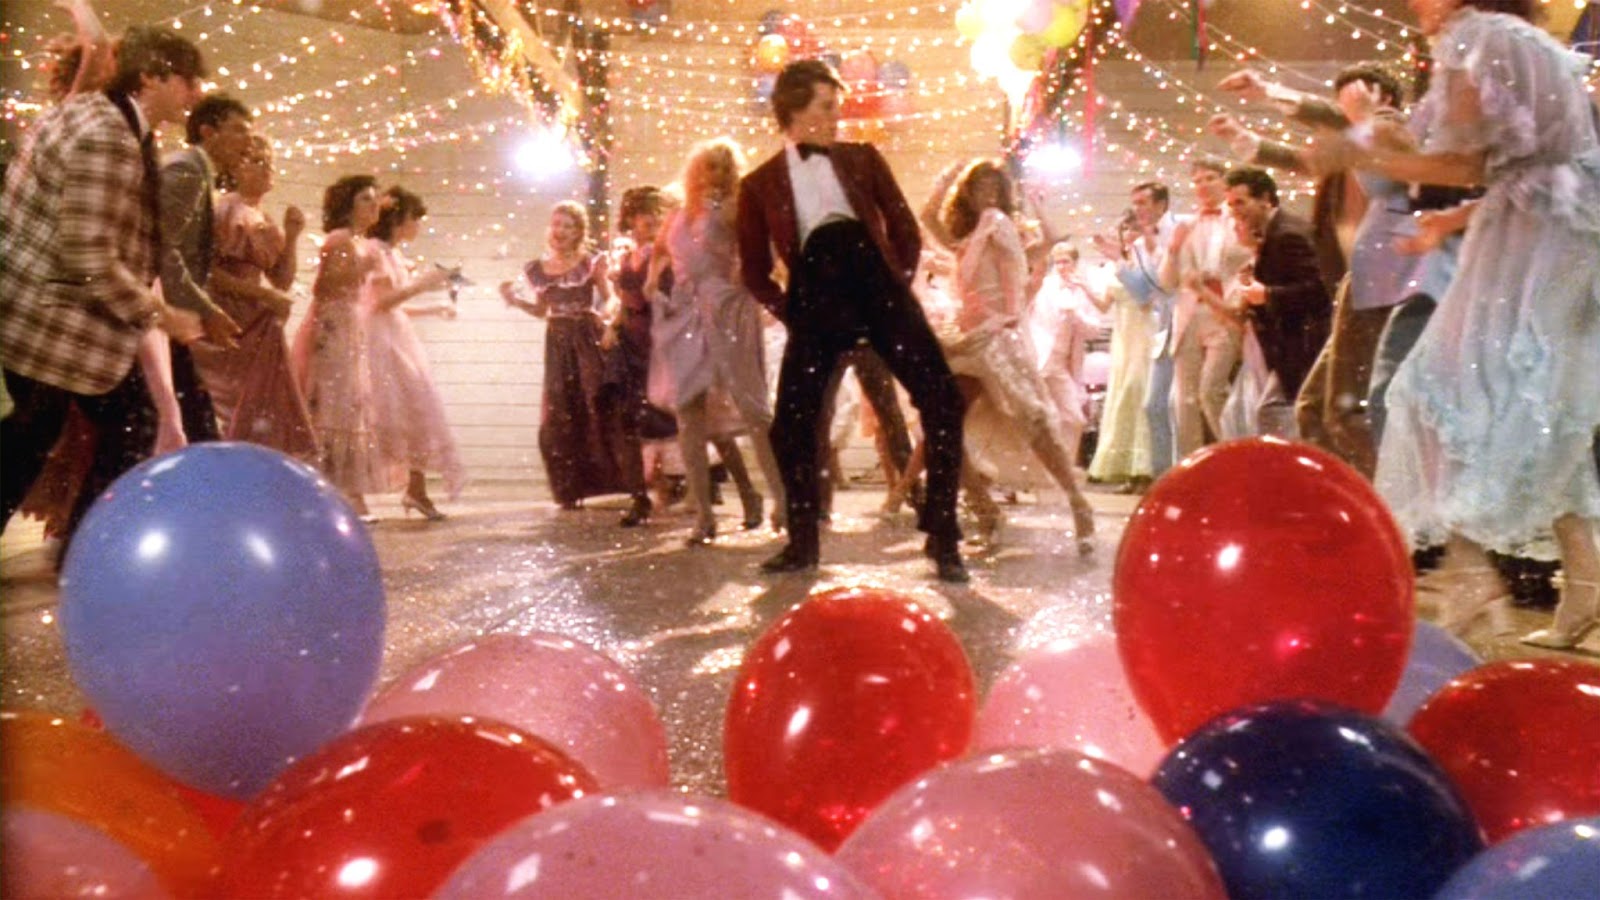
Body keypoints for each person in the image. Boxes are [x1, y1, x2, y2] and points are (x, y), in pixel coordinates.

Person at [1320, 0, 1600, 647]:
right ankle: (1582, 581)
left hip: (1543, 238)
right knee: (1530, 399)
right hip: (1556, 231)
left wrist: (1357, 139)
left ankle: (1472, 569)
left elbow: (1454, 162)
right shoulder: (1514, 40)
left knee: (1437, 391)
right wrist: (1453, 220)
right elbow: (1516, 163)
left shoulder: (1476, 37)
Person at [737, 59, 969, 582]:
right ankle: (801, 543)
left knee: (944, 399)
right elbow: (752, 270)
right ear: (793, 109)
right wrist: (790, 310)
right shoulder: (759, 185)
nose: (837, 117)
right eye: (826, 106)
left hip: (876, 283)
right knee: (790, 425)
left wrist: (895, 283)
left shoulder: (863, 158)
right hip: (816, 296)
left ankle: (943, 532)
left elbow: (906, 229)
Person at [1, 25, 206, 548]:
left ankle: (85, 547)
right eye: (188, 81)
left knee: (34, 436)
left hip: (40, 313)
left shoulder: (101, 115)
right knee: (127, 426)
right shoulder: (108, 137)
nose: (196, 94)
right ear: (152, 77)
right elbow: (88, 255)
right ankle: (88, 549)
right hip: (54, 322)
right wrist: (162, 314)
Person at [1213, 63, 1421, 476]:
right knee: (1314, 408)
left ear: (1383, 96)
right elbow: (1305, 159)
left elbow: (1341, 124)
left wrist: (1269, 91)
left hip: (1387, 285)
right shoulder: (1355, 145)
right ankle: (1351, 496)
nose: (1344, 109)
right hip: (1358, 286)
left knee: (1345, 410)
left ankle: (1382, 502)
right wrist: (1245, 138)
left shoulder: (1394, 130)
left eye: (1353, 97)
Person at [919, 159, 1098, 555]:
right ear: (967, 194)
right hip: (968, 340)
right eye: (979, 188)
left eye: (995, 188)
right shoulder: (967, 238)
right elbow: (928, 217)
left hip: (999, 337)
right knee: (942, 426)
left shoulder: (998, 225)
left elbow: (1030, 256)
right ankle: (985, 511)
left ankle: (1077, 503)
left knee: (1035, 423)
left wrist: (1033, 206)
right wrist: (948, 175)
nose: (988, 195)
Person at [647, 139, 787, 546]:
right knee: (688, 411)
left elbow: (769, 255)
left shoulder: (736, 208)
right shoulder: (678, 213)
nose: (717, 176)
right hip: (685, 312)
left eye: (725, 169)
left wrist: (746, 279)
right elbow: (661, 250)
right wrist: (655, 277)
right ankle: (704, 514)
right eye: (710, 168)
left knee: (753, 407)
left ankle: (781, 500)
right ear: (695, 172)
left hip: (726, 308)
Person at [501, 201, 640, 511]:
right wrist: (515, 301)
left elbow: (611, 300)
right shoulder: (536, 269)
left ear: (579, 232)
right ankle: (571, 488)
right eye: (556, 224)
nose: (560, 231)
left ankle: (624, 481)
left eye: (567, 225)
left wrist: (609, 327)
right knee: (561, 410)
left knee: (597, 403)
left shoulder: (591, 262)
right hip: (557, 340)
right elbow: (541, 310)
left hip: (586, 336)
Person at [190, 133, 317, 458]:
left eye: (269, 163)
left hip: (258, 320)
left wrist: (292, 236)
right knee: (235, 400)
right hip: (228, 315)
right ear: (236, 169)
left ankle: (257, 464)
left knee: (264, 400)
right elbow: (207, 272)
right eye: (256, 162)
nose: (266, 169)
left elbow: (282, 280)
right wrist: (260, 293)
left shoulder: (264, 218)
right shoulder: (224, 209)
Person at [364, 186, 467, 520]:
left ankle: (417, 490)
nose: (417, 225)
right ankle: (355, 491)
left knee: (416, 410)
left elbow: (394, 307)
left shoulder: (392, 254)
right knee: (389, 412)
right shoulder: (375, 251)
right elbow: (379, 303)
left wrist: (434, 305)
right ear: (399, 219)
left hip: (396, 336)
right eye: (414, 218)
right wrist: (424, 284)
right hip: (379, 342)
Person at [290, 174, 385, 517]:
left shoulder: (359, 240)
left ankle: (349, 490)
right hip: (334, 327)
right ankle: (330, 488)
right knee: (335, 403)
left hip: (350, 327)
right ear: (347, 205)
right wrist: (361, 267)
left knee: (351, 403)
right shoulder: (339, 239)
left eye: (374, 199)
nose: (373, 205)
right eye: (364, 199)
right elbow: (323, 286)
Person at [158, 93, 251, 441]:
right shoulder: (186, 170)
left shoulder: (198, 172)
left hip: (170, 317)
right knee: (194, 418)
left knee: (193, 414)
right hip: (158, 315)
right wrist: (205, 310)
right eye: (239, 130)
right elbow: (163, 250)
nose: (248, 141)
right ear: (208, 132)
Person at [1221, 167, 1333, 431]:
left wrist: (1267, 295)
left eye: (1241, 202)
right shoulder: (1277, 232)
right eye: (1231, 205)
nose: (1235, 211)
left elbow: (1319, 290)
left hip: (1303, 344)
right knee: (1277, 414)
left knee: (1276, 414)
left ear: (1266, 199)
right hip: (1291, 345)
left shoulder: (1287, 234)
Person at [1092, 182, 1176, 490]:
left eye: (1143, 202)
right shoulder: (1137, 250)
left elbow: (1154, 294)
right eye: (1135, 203)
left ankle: (1160, 473)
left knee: (1154, 401)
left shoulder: (1177, 230)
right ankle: (1143, 470)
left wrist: (1126, 259)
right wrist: (1119, 260)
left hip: (1154, 329)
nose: (1139, 209)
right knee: (1142, 401)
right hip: (1129, 335)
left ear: (1161, 203)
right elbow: (1142, 291)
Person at [1161, 160, 1245, 458]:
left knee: (1212, 390)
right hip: (1189, 313)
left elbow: (1246, 263)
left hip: (1224, 311)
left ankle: (1235, 456)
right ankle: (1190, 466)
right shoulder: (1187, 225)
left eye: (1210, 178)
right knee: (1184, 400)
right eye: (1198, 181)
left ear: (1224, 182)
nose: (1204, 185)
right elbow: (1167, 283)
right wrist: (1172, 250)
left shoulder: (1238, 220)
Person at [606, 185, 678, 527]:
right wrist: (612, 327)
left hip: (661, 339)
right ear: (630, 219)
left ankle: (694, 486)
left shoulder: (667, 254)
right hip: (630, 341)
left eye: (655, 213)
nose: (649, 219)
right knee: (628, 419)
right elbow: (623, 301)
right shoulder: (626, 257)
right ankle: (638, 496)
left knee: (674, 416)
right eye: (642, 213)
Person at [1028, 241, 1111, 466]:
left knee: (1074, 419)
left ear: (1075, 263)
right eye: (1057, 262)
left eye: (1066, 261)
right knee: (1035, 419)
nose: (1061, 266)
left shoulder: (1083, 292)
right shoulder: (1042, 287)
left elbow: (1094, 330)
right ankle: (1028, 472)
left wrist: (1075, 315)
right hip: (1039, 360)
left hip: (1063, 365)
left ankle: (1061, 469)